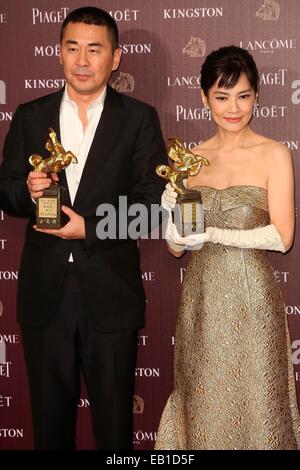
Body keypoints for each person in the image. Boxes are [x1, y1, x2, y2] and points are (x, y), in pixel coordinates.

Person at [0, 7, 166, 450]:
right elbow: (6, 189)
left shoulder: (139, 118)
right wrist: (29, 193)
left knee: (115, 430)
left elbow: (153, 208)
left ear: (115, 58)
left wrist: (89, 230)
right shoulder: (31, 115)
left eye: (95, 49)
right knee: (49, 428)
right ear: (59, 53)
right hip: (44, 296)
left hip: (110, 293)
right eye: (72, 47)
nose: (82, 59)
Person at [156, 45, 300, 450]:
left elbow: (282, 237)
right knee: (202, 402)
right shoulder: (191, 160)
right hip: (201, 299)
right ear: (204, 98)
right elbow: (176, 250)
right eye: (221, 96)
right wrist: (171, 216)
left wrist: (215, 235)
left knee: (258, 405)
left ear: (257, 96)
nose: (233, 108)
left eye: (243, 95)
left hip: (251, 299)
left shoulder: (274, 154)